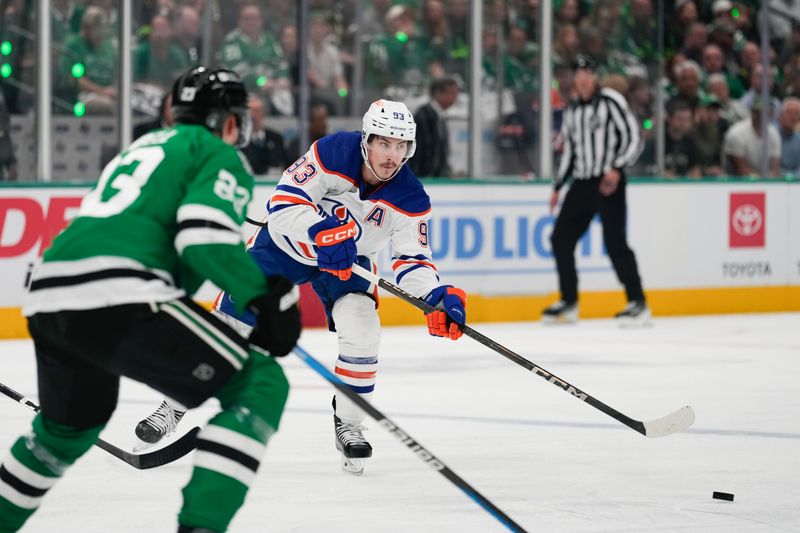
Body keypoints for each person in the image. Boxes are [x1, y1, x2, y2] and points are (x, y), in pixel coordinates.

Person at [0, 66, 301, 533]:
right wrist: (263, 297)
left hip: (49, 294)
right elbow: (201, 239)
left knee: (66, 431)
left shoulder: (139, 148)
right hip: (122, 292)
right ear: (226, 121)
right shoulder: (217, 154)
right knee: (260, 385)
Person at [136, 99, 468, 476]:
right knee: (229, 327)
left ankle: (350, 424)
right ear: (366, 140)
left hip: (347, 264)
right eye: (384, 143)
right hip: (284, 249)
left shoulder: (410, 197)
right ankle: (173, 405)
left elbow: (412, 260)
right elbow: (284, 203)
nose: (391, 156)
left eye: (400, 146)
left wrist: (435, 295)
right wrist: (319, 232)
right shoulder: (332, 152)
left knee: (363, 329)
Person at [542, 54, 649, 326]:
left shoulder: (611, 100)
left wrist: (616, 167)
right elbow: (569, 152)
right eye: (578, 73)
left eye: (588, 72)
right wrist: (557, 186)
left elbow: (634, 137)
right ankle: (569, 301)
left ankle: (637, 302)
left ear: (595, 76)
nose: (583, 78)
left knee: (615, 243)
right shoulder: (573, 109)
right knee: (560, 240)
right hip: (581, 182)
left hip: (607, 182)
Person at [409, 76, 459, 178]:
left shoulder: (439, 116)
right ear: (438, 93)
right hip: (424, 178)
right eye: (452, 93)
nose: (456, 97)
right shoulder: (424, 116)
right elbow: (422, 151)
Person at [722, 98, 781, 177]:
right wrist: (764, 179)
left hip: (765, 180)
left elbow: (775, 167)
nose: (765, 115)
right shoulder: (737, 132)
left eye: (769, 112)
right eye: (759, 112)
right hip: (737, 181)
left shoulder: (774, 133)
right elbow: (741, 169)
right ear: (752, 112)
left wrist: (769, 179)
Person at [240, 95, 287, 175]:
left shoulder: (276, 138)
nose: (253, 116)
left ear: (263, 114)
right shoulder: (240, 140)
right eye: (249, 112)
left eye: (256, 111)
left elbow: (285, 164)